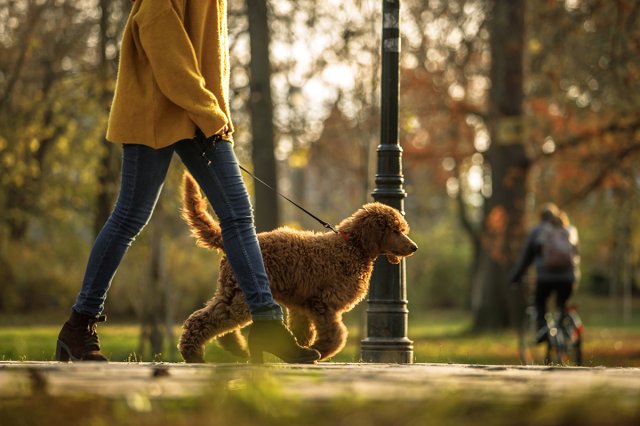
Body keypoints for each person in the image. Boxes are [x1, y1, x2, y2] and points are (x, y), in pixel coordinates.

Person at [55, 0, 320, 364]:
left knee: (237, 215)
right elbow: (159, 31)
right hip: (158, 106)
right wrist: (208, 109)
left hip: (196, 111)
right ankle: (79, 325)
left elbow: (205, 50)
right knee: (131, 216)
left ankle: (267, 323)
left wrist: (209, 108)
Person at [510, 203, 580, 344]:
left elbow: (526, 258)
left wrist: (515, 277)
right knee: (562, 305)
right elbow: (576, 254)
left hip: (546, 278)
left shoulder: (537, 231)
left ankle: (543, 329)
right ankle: (567, 336)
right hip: (568, 278)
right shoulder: (569, 229)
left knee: (539, 302)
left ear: (541, 217)